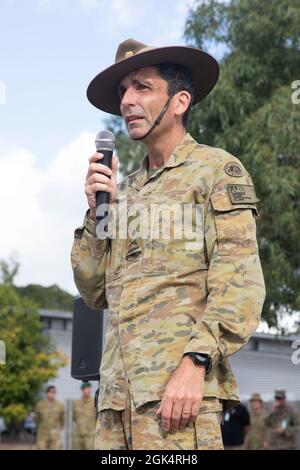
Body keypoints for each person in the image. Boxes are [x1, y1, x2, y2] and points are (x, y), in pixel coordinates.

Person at [71, 38, 266, 450]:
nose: (126, 100)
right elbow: (92, 290)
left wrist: (195, 364)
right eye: (123, 90)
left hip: (177, 405)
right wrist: (95, 213)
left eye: (142, 86)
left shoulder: (216, 172)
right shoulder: (123, 193)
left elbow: (240, 283)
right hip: (115, 408)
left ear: (179, 102)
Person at [35, 385, 65, 450]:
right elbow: (37, 419)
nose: (52, 394)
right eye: (50, 392)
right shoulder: (40, 405)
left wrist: (57, 429)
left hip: (55, 436)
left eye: (54, 392)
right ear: (47, 393)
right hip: (42, 435)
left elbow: (62, 420)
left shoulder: (60, 405)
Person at [73, 382, 96, 450]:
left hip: (90, 435)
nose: (88, 390)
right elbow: (74, 417)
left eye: (89, 388)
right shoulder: (76, 403)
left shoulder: (94, 402)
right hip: (78, 435)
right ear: (82, 390)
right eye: (86, 388)